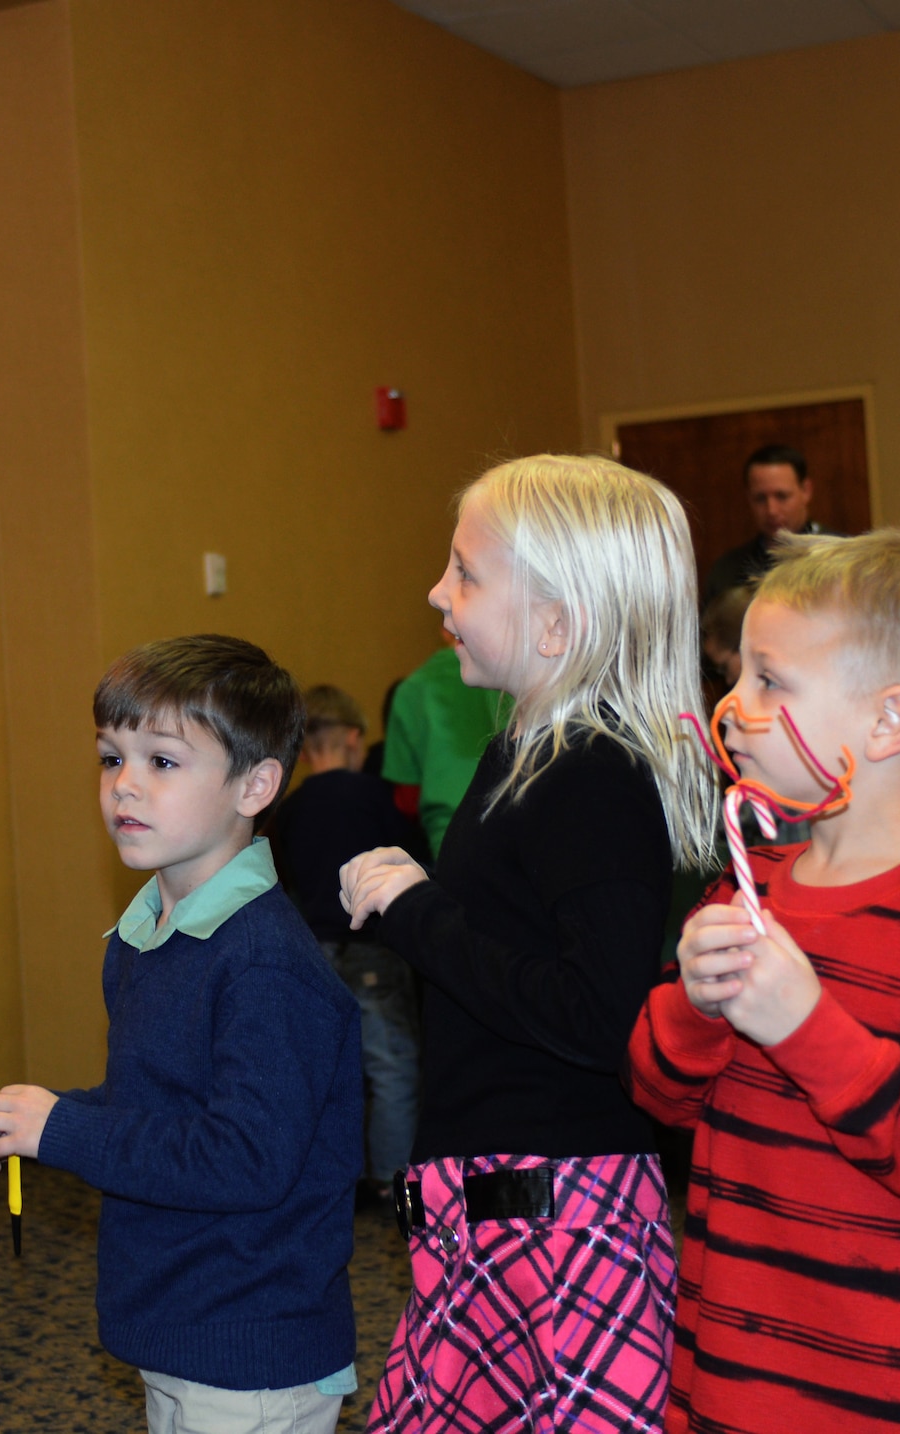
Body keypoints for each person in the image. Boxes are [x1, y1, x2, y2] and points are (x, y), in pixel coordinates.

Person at [629, 525, 900, 1433]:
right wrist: (694, 1008)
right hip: (737, 1374)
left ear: (887, 722)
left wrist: (804, 1025)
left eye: (771, 681)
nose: (732, 706)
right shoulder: (750, 886)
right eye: (738, 675)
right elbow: (659, 1095)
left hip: (897, 1395)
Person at [339, 455, 715, 1433]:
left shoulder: (588, 772)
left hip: (554, 1220)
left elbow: (595, 1014)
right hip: (499, 1207)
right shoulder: (524, 750)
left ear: (555, 621)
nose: (435, 592)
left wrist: (414, 911)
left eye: (464, 573)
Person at [0, 636, 362, 1434]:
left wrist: (69, 1131)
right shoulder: (146, 934)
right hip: (182, 1323)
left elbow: (245, 1159)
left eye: (163, 762)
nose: (126, 787)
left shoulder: (264, 966)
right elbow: (161, 1105)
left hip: (253, 1345)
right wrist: (46, 1117)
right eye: (111, 758)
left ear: (255, 785)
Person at [269, 685, 425, 1198]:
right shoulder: (379, 799)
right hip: (374, 948)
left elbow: (282, 880)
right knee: (392, 1066)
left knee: (328, 1072)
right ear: (355, 739)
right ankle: (391, 1181)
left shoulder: (288, 811)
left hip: (314, 951)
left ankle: (338, 1176)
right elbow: (414, 867)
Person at [380, 641, 509, 859]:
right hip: (516, 820)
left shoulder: (410, 691)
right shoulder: (510, 676)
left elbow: (407, 798)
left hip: (448, 837)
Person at [704, 443, 828, 603]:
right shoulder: (726, 571)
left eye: (782, 496)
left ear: (806, 490)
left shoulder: (843, 558)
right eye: (760, 498)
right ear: (749, 498)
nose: (771, 510)